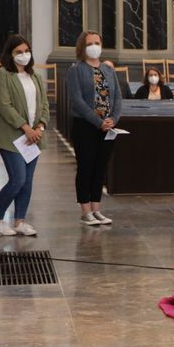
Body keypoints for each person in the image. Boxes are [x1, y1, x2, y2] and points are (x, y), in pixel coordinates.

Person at [0, 35, 49, 237]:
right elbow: (4, 106)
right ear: (10, 54)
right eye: (18, 52)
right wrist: (26, 128)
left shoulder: (36, 77)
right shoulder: (3, 75)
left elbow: (44, 106)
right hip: (12, 137)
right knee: (17, 180)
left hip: (33, 138)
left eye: (26, 51)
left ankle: (19, 221)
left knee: (28, 181)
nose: (24, 55)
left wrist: (40, 127)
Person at [67, 32, 123, 226]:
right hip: (86, 126)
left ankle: (97, 209)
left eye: (97, 43)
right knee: (86, 167)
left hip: (107, 127)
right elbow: (77, 101)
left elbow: (117, 98)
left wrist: (112, 119)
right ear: (82, 47)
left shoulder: (108, 69)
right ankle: (85, 211)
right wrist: (98, 121)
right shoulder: (76, 69)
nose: (94, 46)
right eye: (89, 43)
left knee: (100, 168)